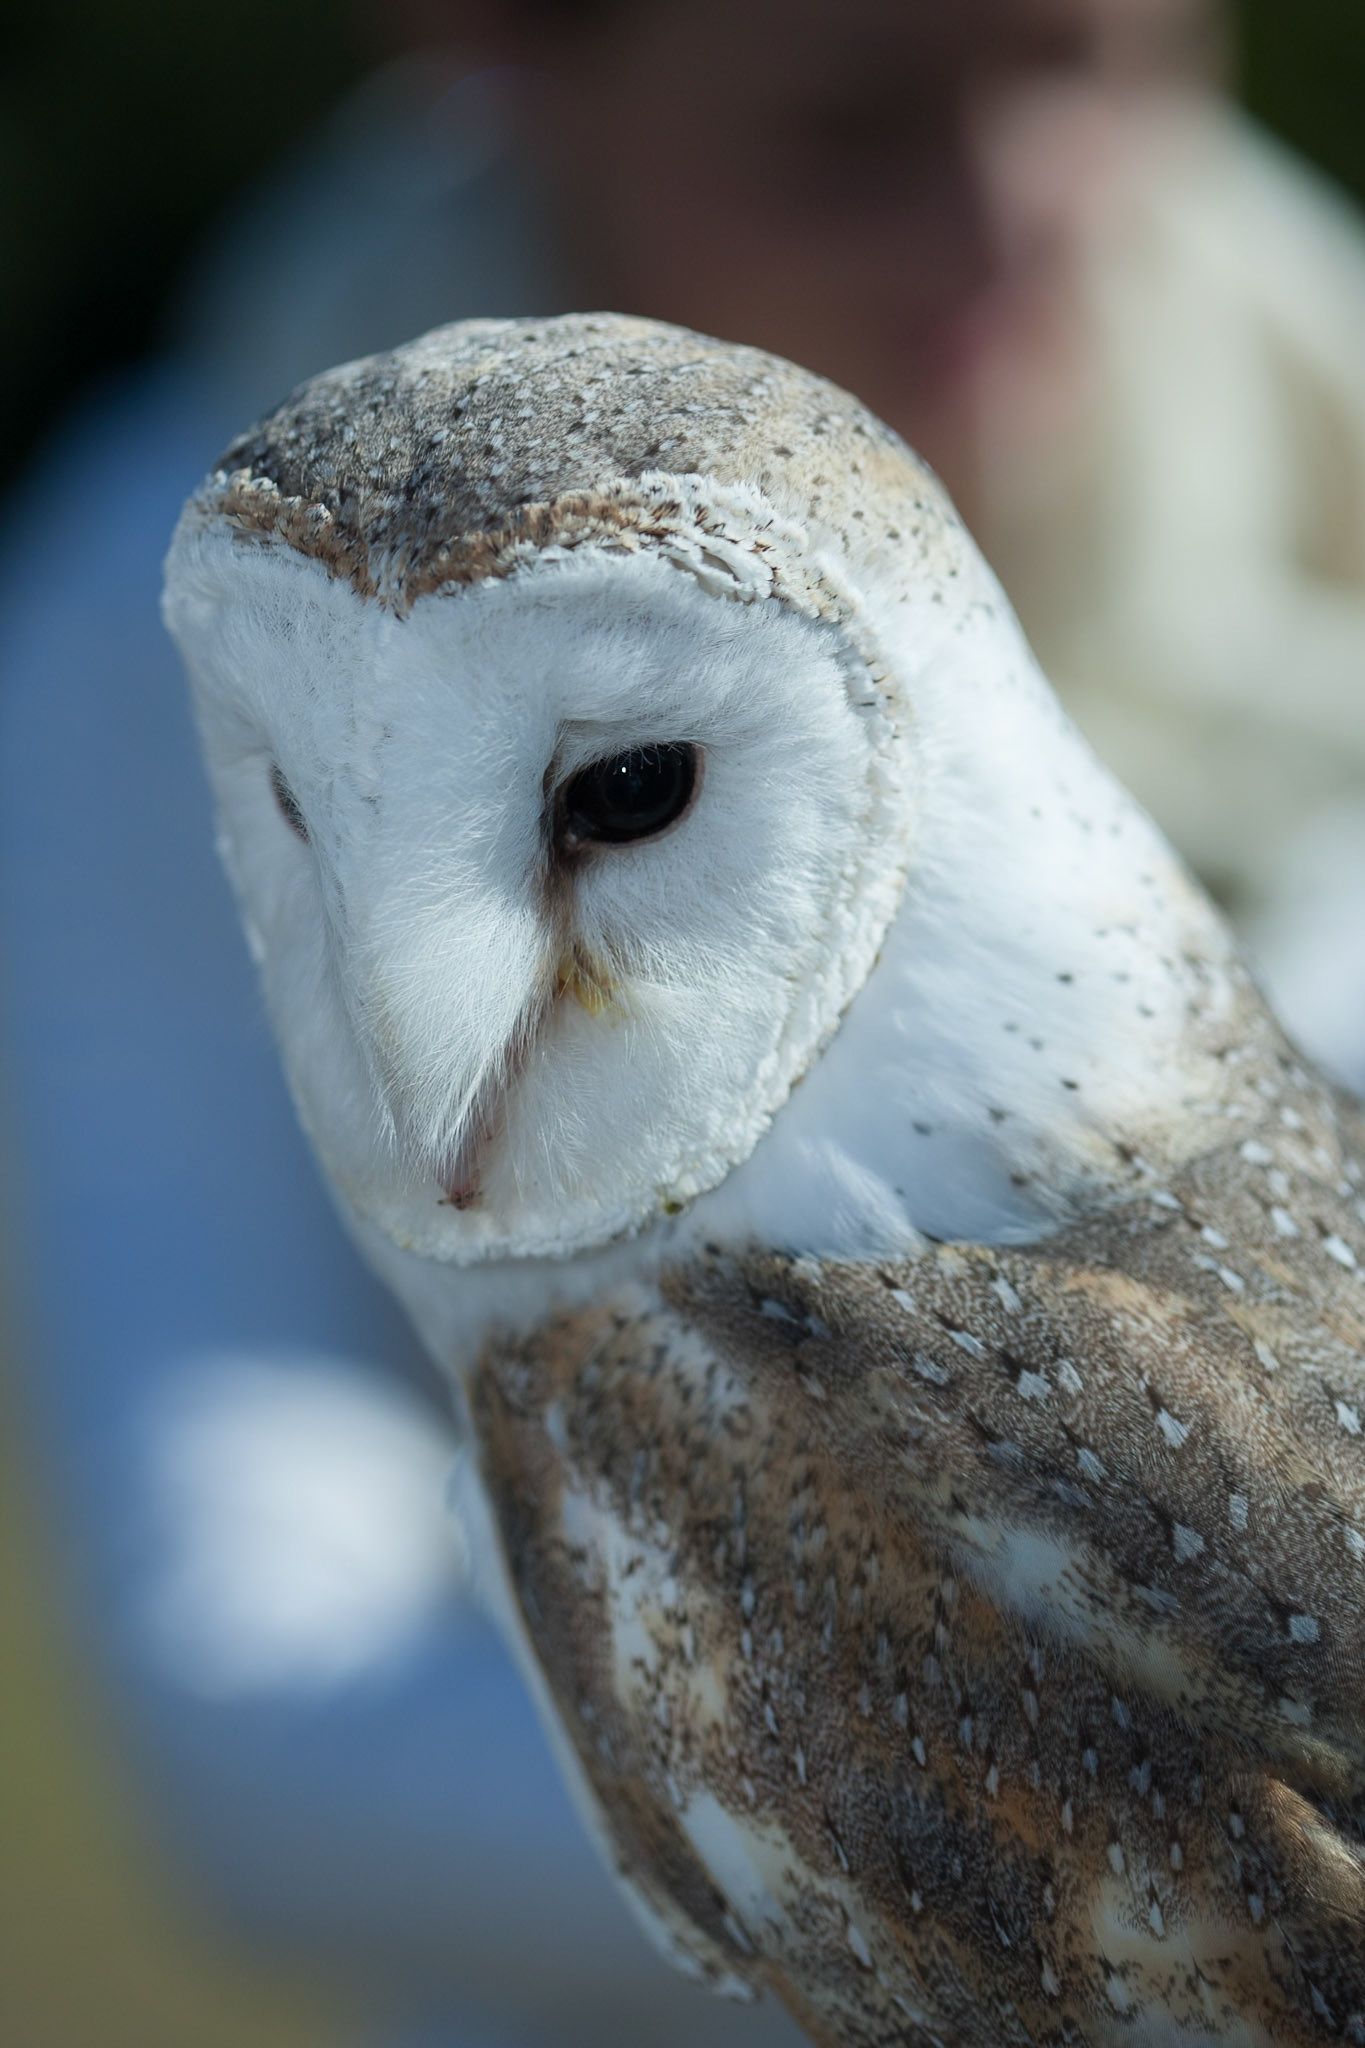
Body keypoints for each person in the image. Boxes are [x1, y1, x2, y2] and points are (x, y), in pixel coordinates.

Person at [2, 0, 1363, 2040]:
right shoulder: (195, 611)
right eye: (840, 127)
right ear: (495, 56)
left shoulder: (1322, 480)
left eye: (1086, 65)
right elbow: (250, 1708)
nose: (1010, 211)